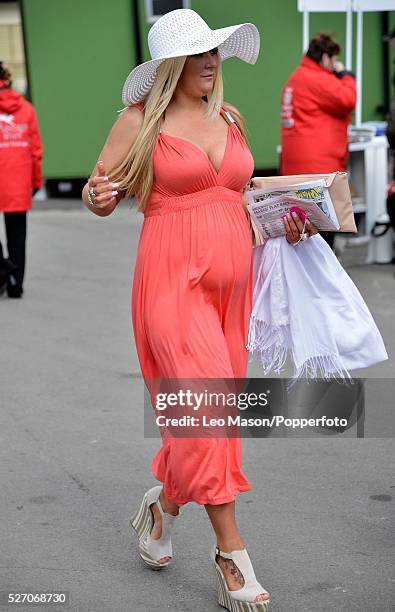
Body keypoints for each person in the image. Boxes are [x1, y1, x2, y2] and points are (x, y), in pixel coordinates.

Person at [82, 9, 318, 610]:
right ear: (171, 66)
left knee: (208, 416)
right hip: (169, 283)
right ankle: (231, 556)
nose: (212, 62)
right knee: (209, 412)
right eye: (198, 54)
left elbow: (240, 199)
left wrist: (287, 220)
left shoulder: (230, 119)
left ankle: (162, 505)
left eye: (215, 52)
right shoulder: (140, 121)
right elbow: (100, 192)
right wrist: (98, 195)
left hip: (231, 291)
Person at [280, 33, 357, 249]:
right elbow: (348, 99)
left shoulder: (296, 77)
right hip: (319, 169)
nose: (333, 66)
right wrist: (346, 74)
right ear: (325, 57)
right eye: (333, 61)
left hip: (296, 167)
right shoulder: (318, 79)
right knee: (323, 233)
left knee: (303, 230)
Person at [0, 62, 43, 298]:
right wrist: (36, 181)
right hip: (17, 179)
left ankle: (3, 271)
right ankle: (16, 284)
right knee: (17, 234)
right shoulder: (26, 109)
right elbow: (35, 150)